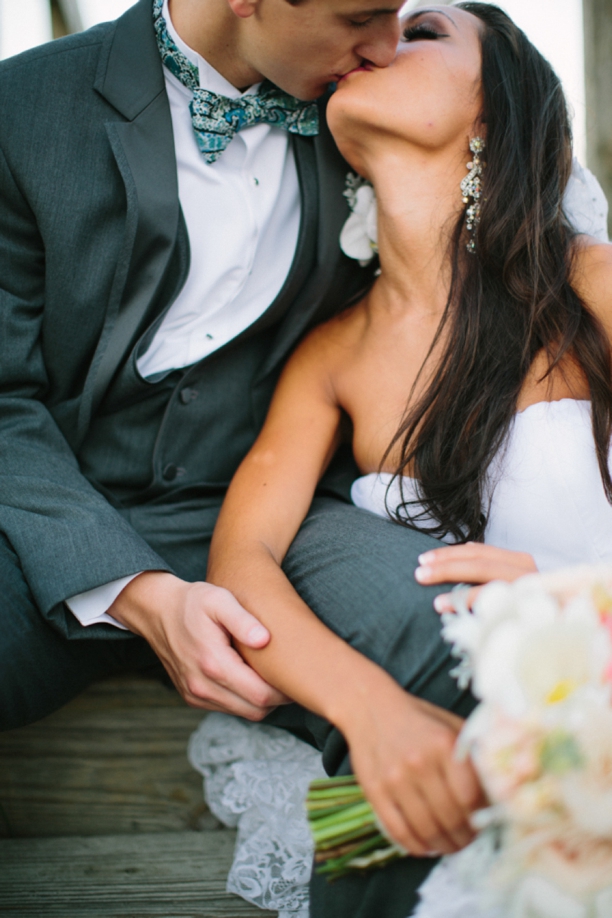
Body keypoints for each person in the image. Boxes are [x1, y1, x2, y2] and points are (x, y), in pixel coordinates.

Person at [205, 3, 612, 916]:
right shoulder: (330, 357)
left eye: (422, 31)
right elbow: (244, 558)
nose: (380, 41)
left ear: (494, 108)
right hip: (431, 754)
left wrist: (578, 594)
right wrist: (367, 710)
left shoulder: (589, 285)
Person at [0, 0, 408, 730]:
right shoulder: (20, 113)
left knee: (452, 646)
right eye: (360, 17)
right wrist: (142, 593)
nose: (387, 46)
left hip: (277, 523)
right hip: (38, 520)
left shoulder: (377, 107)